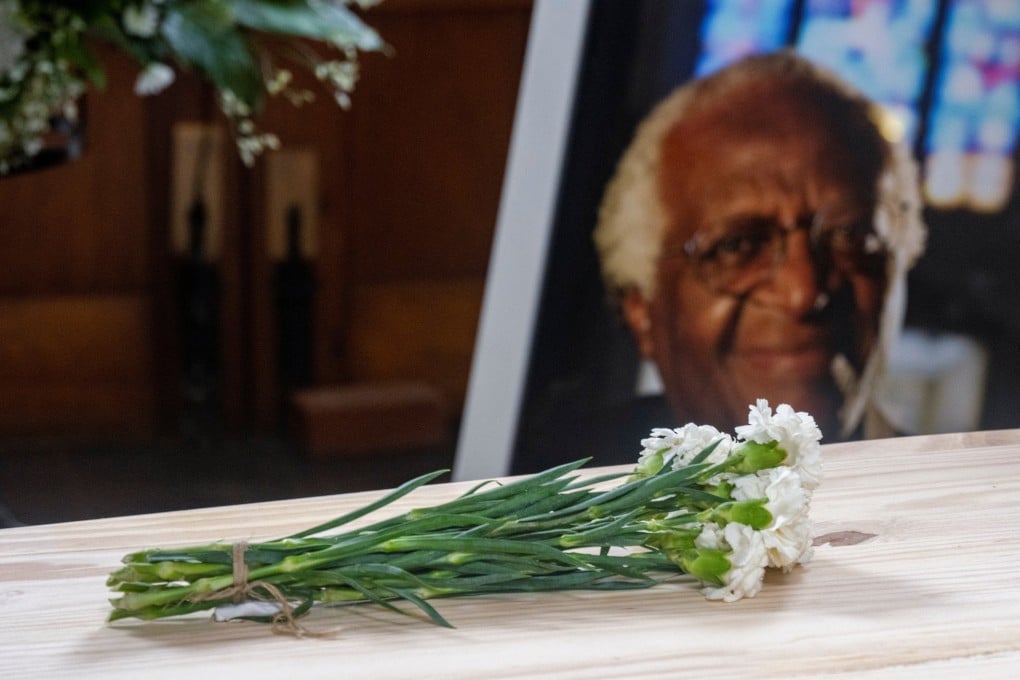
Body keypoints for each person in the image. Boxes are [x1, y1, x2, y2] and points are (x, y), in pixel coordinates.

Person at [593, 50, 927, 441]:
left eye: (851, 236)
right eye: (738, 246)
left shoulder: (968, 494)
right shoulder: (565, 488)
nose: (803, 291)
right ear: (641, 312)